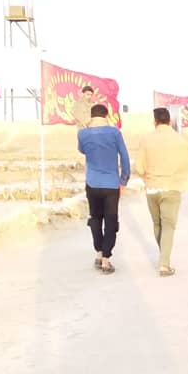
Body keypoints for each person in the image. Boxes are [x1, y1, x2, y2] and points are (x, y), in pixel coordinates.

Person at [132, 107, 188, 277]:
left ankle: (163, 255)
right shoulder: (178, 140)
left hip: (152, 188)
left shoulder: (146, 140)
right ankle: (164, 264)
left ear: (155, 121)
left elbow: (139, 168)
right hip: (172, 188)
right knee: (169, 225)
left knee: (157, 224)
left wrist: (148, 176)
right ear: (169, 121)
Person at [77, 103, 130, 274]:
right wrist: (124, 180)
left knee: (95, 218)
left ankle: (99, 253)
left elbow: (82, 150)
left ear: (91, 117)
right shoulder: (114, 133)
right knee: (111, 220)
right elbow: (125, 157)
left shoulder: (83, 133)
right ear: (106, 116)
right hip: (111, 184)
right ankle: (106, 259)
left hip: (92, 183)